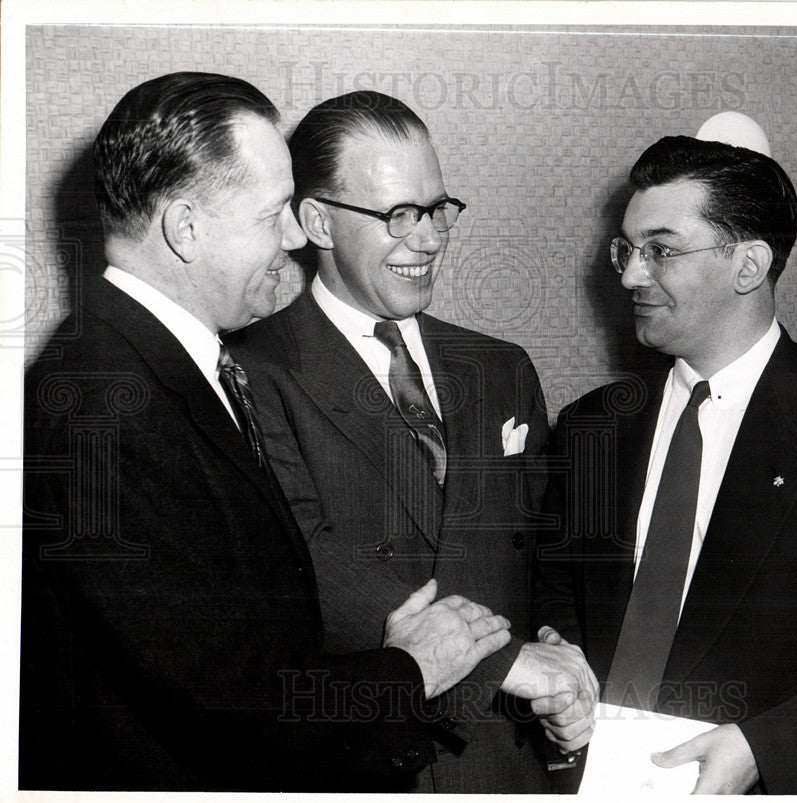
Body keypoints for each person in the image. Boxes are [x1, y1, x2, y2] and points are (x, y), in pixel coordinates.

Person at [20, 72, 515, 792]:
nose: (295, 234)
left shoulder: (152, 363)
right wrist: (411, 666)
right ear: (186, 229)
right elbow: (228, 708)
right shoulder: (105, 407)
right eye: (274, 211)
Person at [534, 135, 797, 794]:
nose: (629, 275)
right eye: (627, 249)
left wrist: (763, 746)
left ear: (748, 264)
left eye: (661, 251)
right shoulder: (590, 426)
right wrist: (557, 668)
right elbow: (561, 599)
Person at [227, 91, 596, 793]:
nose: (426, 238)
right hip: (369, 760)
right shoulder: (252, 368)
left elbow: (547, 551)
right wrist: (505, 662)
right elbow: (306, 560)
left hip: (509, 767)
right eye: (398, 214)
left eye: (436, 209)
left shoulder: (501, 367)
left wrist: (562, 658)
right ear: (316, 221)